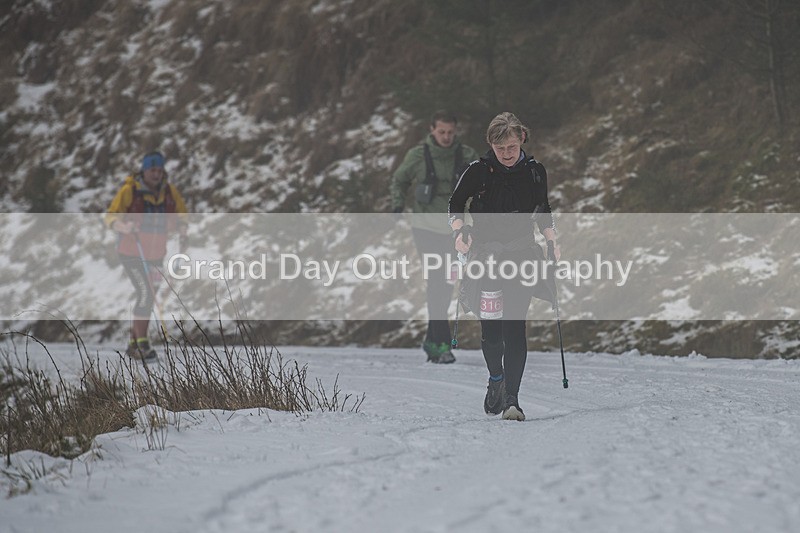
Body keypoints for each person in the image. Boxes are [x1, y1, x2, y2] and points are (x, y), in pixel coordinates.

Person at [448, 112, 561, 421]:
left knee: (515, 326)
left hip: (522, 255)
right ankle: (496, 378)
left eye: (512, 147)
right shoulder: (478, 171)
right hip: (485, 257)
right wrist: (459, 231)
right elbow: (456, 203)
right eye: (501, 149)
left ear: (521, 139)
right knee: (492, 329)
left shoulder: (535, 171)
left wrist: (552, 240)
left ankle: (512, 399)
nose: (508, 154)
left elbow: (543, 209)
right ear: (491, 145)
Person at [391, 110, 479, 364]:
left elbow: (483, 184)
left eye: (451, 132)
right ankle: (440, 344)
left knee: (446, 283)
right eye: (442, 131)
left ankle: (432, 341)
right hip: (425, 228)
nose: (446, 137)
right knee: (436, 280)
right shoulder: (418, 155)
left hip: (455, 231)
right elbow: (399, 180)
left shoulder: (467, 156)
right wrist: (397, 205)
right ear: (432, 129)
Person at [105, 151, 188, 361]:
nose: (156, 174)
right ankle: (142, 344)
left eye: (160, 170)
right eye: (152, 170)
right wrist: (124, 226)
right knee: (145, 292)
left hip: (156, 254)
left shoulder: (169, 191)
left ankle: (134, 342)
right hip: (131, 251)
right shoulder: (129, 190)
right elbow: (111, 216)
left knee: (150, 294)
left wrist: (182, 227)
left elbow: (181, 212)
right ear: (144, 170)